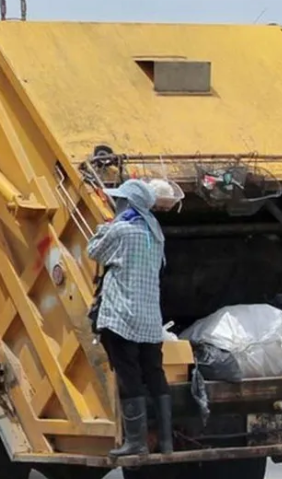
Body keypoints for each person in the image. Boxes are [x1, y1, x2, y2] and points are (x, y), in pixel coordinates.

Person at [88, 179, 173, 457]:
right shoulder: (156, 232)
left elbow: (93, 251)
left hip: (122, 318)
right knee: (154, 372)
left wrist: (105, 226)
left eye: (121, 200)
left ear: (129, 203)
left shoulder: (122, 230)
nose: (118, 203)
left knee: (129, 376)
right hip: (150, 318)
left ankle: (135, 442)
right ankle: (167, 440)